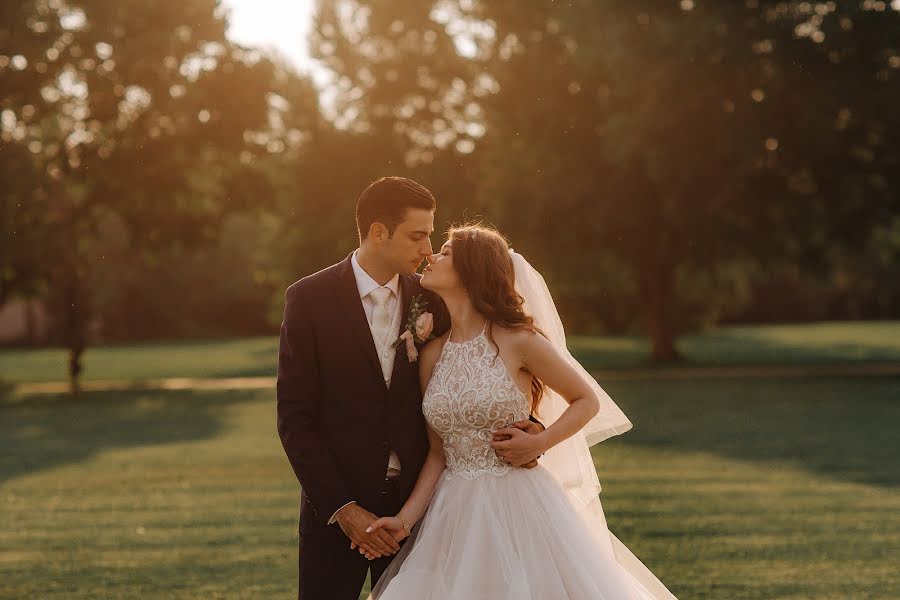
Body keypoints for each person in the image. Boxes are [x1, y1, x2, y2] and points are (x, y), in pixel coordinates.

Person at [365, 224, 678, 599]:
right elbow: (438, 454)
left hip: (520, 506)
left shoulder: (519, 341)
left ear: (471, 271)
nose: (432, 255)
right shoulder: (431, 354)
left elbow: (586, 399)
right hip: (453, 513)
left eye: (446, 252)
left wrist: (540, 441)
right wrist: (403, 521)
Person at [276, 179, 544, 600]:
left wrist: (530, 431)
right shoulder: (308, 300)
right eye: (418, 235)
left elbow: (482, 369)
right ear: (379, 232)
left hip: (424, 510)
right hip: (335, 511)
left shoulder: (435, 296)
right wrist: (342, 509)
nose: (428, 249)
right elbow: (295, 418)